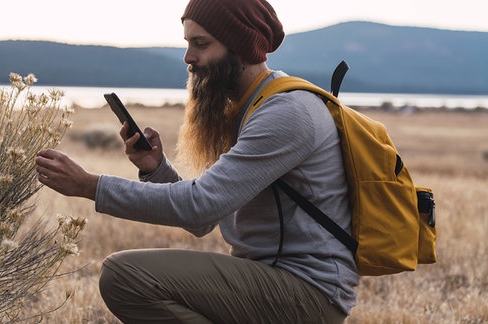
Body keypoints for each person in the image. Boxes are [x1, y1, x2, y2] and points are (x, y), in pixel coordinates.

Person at [35, 0, 358, 322]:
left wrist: (90, 186)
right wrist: (155, 169)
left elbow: (199, 206)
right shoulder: (249, 108)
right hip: (274, 280)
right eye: (188, 43)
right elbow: (203, 221)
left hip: (308, 293)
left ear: (242, 47)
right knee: (129, 275)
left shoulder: (286, 112)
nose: (188, 57)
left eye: (201, 44)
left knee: (125, 274)